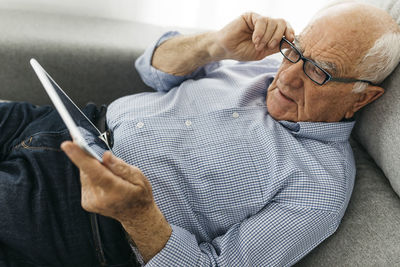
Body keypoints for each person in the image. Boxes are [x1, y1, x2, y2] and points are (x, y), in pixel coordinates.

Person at [1, 1, 399, 266]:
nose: (287, 77)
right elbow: (152, 66)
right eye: (295, 51)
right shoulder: (259, 65)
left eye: (320, 72)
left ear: (363, 97)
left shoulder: (318, 191)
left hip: (85, 215)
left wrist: (138, 214)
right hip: (61, 123)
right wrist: (214, 45)